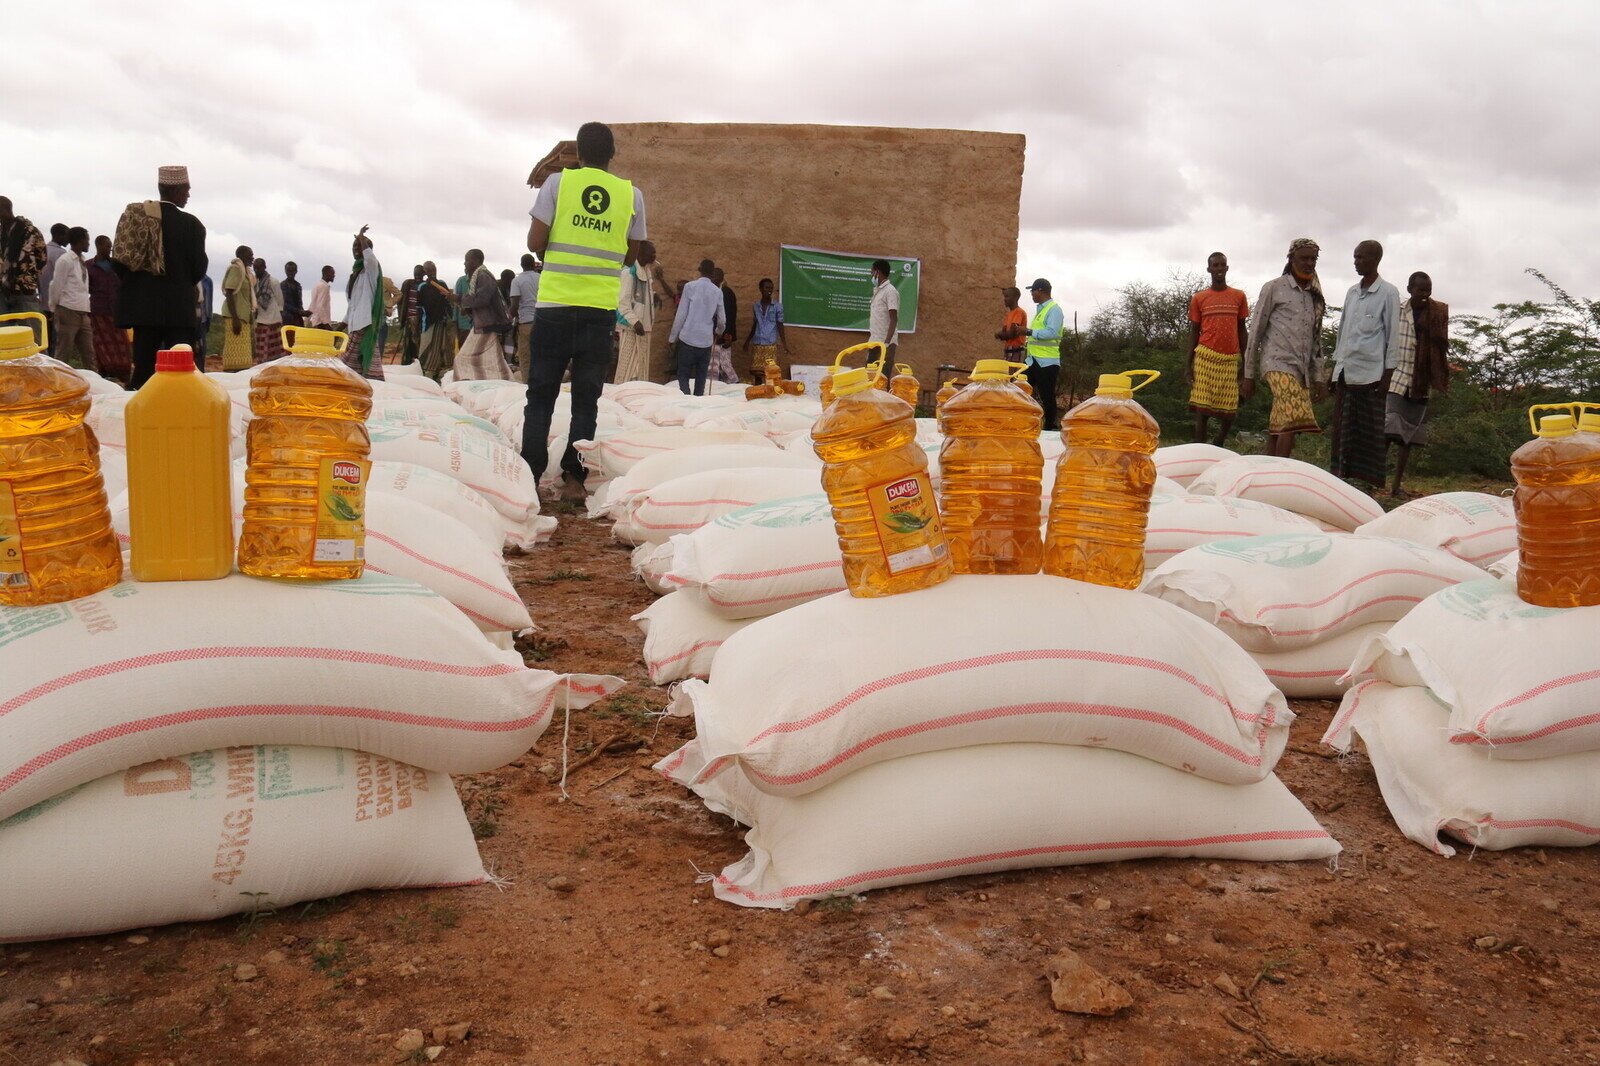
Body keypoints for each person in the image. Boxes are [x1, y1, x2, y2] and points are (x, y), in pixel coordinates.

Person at [523, 120, 647, 501]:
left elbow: (534, 241)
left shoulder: (558, 184)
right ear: (612, 155)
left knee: (541, 395)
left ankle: (529, 477)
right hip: (599, 310)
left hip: (555, 307)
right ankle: (574, 479)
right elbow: (631, 253)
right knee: (586, 400)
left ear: (578, 152)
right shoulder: (632, 195)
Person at [115, 167, 207, 385]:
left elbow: (120, 262)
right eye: (186, 190)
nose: (188, 195)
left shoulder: (136, 220)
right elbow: (198, 269)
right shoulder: (192, 225)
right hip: (179, 311)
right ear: (175, 192)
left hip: (144, 311)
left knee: (144, 368)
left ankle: (139, 412)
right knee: (182, 370)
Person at [1328, 240, 1401, 489]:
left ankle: (1366, 486)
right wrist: (1335, 370)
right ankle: (1341, 482)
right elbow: (1343, 333)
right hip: (1347, 374)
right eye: (1355, 257)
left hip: (1372, 377)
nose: (1356, 262)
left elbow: (1392, 337)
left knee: (1368, 436)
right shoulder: (1351, 292)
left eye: (1361, 258)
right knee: (1342, 433)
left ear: (1375, 260)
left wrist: (1387, 377)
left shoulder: (1388, 293)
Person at [1243, 239, 1326, 458]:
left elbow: (1316, 339)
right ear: (1291, 259)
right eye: (1304, 258)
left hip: (1301, 370)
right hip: (1276, 362)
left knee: (1280, 421)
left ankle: (1268, 469)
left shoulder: (1314, 295)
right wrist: (1248, 375)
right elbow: (1256, 331)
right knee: (1294, 416)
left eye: (1313, 259)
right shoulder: (1274, 287)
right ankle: (1282, 470)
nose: (1309, 263)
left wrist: (1319, 376)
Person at [1386, 271, 1450, 499]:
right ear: (1410, 288)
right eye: (1420, 289)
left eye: (1428, 290)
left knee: (1409, 439)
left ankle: (1396, 486)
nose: (1425, 294)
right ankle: (1373, 481)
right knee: (1388, 430)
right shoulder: (1397, 311)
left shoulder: (1437, 313)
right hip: (1396, 378)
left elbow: (1442, 346)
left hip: (1421, 381)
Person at [1185, 252, 1251, 445]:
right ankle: (1200, 449)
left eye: (1222, 265)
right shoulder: (1199, 298)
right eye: (1215, 265)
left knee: (1230, 408)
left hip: (1230, 358)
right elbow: (1194, 332)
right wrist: (1187, 365)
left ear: (1227, 268)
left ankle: (1219, 442)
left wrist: (1246, 363)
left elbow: (1242, 329)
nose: (1219, 268)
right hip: (1205, 356)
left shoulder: (1238, 296)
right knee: (1202, 409)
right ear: (1209, 269)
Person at [453, 249, 513, 380]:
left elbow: (482, 299)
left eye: (467, 260)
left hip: (487, 324)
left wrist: (458, 299)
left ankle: (464, 385)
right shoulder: (479, 276)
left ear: (476, 261)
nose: (465, 264)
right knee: (494, 360)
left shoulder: (483, 276)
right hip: (485, 324)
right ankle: (503, 381)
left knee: (462, 359)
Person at [668, 259, 725, 396]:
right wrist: (718, 332)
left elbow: (681, 315)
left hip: (687, 338)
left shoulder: (689, 287)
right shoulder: (717, 292)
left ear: (699, 270)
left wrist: (672, 338)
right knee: (701, 377)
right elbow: (722, 320)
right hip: (705, 341)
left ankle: (685, 398)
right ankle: (697, 401)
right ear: (712, 273)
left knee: (683, 373)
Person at [47, 226, 94, 370]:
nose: (88, 243)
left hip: (83, 311)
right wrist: (54, 308)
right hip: (68, 311)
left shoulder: (81, 261)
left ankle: (93, 384)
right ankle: (59, 383)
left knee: (89, 353)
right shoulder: (65, 260)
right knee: (64, 353)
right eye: (87, 240)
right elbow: (56, 286)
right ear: (80, 241)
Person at [614, 241, 660, 384]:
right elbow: (622, 303)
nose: (654, 256)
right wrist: (635, 322)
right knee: (627, 368)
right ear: (640, 253)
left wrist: (654, 296)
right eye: (651, 253)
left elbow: (641, 297)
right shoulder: (628, 273)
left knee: (641, 368)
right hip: (632, 328)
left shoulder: (646, 271)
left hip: (644, 328)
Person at [0, 198, 47, 339]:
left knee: (33, 338)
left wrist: (25, 274)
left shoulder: (30, 231)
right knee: (4, 339)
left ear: (6, 210)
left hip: (25, 290)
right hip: (3, 291)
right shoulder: (1, 232)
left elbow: (42, 258)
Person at [87, 235, 130, 384]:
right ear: (98, 246)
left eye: (110, 245)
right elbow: (86, 287)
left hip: (117, 311)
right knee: (101, 344)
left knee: (121, 344)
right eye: (107, 246)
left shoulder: (117, 266)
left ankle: (123, 375)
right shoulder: (88, 266)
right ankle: (105, 374)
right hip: (98, 311)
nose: (110, 249)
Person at [1023, 278, 1064, 430]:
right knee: (1022, 391)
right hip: (1033, 360)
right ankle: (1023, 422)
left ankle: (1050, 427)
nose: (1031, 294)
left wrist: (1028, 331)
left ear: (1040, 291)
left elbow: (1051, 332)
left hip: (1047, 361)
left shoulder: (1054, 309)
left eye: (1032, 291)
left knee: (1047, 396)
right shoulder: (1040, 310)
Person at [345, 226, 385, 379]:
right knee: (358, 365)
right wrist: (342, 324)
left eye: (359, 246)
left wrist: (361, 237)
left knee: (348, 363)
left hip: (364, 324)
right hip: (355, 325)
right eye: (354, 246)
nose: (356, 249)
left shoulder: (371, 270)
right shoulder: (355, 274)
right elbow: (352, 304)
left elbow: (370, 259)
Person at [416, 261, 458, 380]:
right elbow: (419, 308)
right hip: (428, 323)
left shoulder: (442, 284)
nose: (431, 273)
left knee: (445, 347)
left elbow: (447, 302)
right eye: (429, 271)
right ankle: (428, 373)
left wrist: (450, 318)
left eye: (433, 270)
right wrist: (418, 325)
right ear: (425, 272)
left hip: (442, 322)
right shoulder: (422, 287)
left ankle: (444, 373)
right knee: (427, 347)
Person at [743, 277, 788, 381]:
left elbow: (780, 325)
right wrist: (747, 341)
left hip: (770, 344)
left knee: (770, 373)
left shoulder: (777, 306)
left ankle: (769, 393)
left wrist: (784, 343)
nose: (769, 290)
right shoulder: (756, 306)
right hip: (758, 342)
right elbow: (755, 324)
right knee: (757, 372)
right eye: (766, 288)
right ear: (760, 289)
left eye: (771, 288)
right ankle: (758, 392)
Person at [219, 245, 256, 371]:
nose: (252, 257)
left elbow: (247, 297)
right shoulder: (236, 269)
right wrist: (235, 318)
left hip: (243, 316)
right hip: (235, 316)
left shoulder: (246, 272)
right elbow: (229, 293)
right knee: (233, 354)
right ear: (242, 255)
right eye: (250, 254)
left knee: (243, 356)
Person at [509, 253, 541, 380]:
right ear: (534, 264)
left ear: (521, 265)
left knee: (526, 356)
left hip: (526, 323)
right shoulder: (541, 278)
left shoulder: (517, 281)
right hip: (542, 321)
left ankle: (528, 383)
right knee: (540, 353)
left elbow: (514, 305)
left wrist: (512, 318)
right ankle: (541, 379)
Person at [38, 223, 68, 350]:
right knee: (56, 342)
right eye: (67, 235)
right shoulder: (61, 253)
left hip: (42, 301)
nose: (68, 239)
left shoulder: (43, 250)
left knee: (45, 338)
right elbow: (63, 280)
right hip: (57, 304)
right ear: (59, 235)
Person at [868, 258, 900, 368]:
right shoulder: (878, 291)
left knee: (882, 378)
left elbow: (894, 318)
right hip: (874, 340)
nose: (871, 275)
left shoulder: (890, 291)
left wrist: (886, 343)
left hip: (886, 343)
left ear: (878, 272)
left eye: (872, 272)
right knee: (870, 375)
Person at [708, 266, 738, 381]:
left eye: (714, 276)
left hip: (723, 336)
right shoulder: (713, 291)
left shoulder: (726, 292)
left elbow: (731, 314)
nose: (712, 278)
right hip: (712, 335)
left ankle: (734, 384)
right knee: (714, 366)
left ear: (721, 277)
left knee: (724, 365)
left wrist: (729, 334)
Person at [253, 258, 285, 363]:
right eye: (255, 268)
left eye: (259, 268)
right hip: (261, 320)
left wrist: (280, 318)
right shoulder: (254, 282)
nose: (257, 270)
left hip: (273, 320)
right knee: (262, 352)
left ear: (264, 267)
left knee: (275, 354)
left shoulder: (273, 282)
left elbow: (280, 302)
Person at [396, 265, 424, 365]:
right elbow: (400, 302)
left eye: (419, 273)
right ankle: (406, 365)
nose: (417, 275)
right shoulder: (407, 284)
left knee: (418, 344)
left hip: (420, 320)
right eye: (415, 273)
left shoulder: (425, 285)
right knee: (407, 345)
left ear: (423, 274)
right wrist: (401, 318)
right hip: (408, 319)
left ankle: (418, 365)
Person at [995, 286, 1027, 362]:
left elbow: (1011, 334)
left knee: (1013, 373)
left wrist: (999, 334)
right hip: (1009, 350)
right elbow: (1005, 333)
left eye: (1007, 296)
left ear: (1015, 298)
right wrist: (1002, 334)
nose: (1004, 299)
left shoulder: (1019, 312)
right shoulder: (1010, 314)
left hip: (1016, 350)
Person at [280, 261, 305, 327]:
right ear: (285, 271)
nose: (290, 273)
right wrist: (299, 311)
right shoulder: (282, 285)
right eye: (288, 271)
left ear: (296, 271)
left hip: (298, 319)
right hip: (287, 319)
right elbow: (284, 303)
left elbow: (300, 302)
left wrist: (302, 312)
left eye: (292, 271)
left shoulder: (298, 286)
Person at [196, 275, 213, 364]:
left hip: (202, 321)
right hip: (189, 321)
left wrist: (208, 321)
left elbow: (209, 304)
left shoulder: (207, 281)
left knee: (201, 351)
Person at [453, 270, 473, 344]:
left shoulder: (481, 281)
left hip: (477, 325)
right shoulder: (461, 281)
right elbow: (456, 302)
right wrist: (455, 321)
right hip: (463, 324)